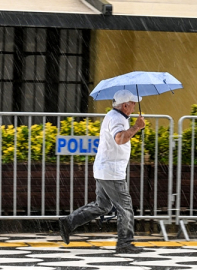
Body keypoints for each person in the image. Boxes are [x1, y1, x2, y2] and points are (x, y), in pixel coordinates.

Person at [59, 89, 146, 254]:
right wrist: (136, 126)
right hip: (111, 172)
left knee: (103, 206)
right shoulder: (117, 119)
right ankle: (124, 244)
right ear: (125, 105)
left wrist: (134, 126)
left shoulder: (115, 116)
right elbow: (119, 139)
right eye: (133, 103)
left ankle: (69, 222)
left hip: (105, 169)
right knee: (125, 207)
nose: (135, 106)